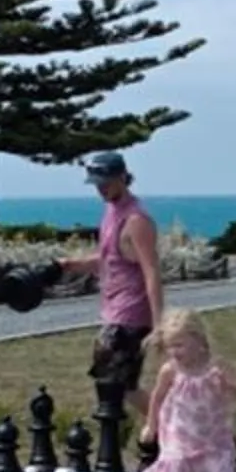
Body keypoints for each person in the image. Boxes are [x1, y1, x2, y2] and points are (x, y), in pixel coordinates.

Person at [64, 148, 163, 419]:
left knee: (121, 387)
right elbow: (109, 258)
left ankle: (170, 430)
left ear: (122, 178)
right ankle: (163, 429)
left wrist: (159, 324)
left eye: (105, 183)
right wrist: (71, 265)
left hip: (130, 316)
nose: (101, 189)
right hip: (114, 312)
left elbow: (151, 271)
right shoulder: (111, 211)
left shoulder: (137, 220)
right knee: (114, 385)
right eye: (97, 184)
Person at [143, 309, 236, 472]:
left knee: (216, 464)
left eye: (179, 345)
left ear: (198, 340)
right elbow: (157, 398)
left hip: (211, 431)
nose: (174, 352)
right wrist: (151, 425)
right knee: (178, 460)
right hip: (180, 430)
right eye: (170, 347)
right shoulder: (170, 370)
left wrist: (229, 385)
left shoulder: (215, 367)